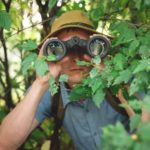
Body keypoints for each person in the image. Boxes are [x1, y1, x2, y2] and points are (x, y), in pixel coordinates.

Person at [0, 10, 130, 150]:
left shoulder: (121, 79)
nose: (76, 59)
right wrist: (40, 83)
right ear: (52, 54)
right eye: (64, 51)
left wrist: (112, 78)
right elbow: (4, 144)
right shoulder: (51, 90)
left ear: (97, 49)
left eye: (87, 48)